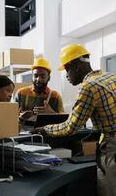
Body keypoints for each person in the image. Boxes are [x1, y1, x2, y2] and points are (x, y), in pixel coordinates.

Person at [32, 44, 116, 196]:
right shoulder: (111, 77)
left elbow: (71, 127)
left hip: (112, 147)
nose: (66, 75)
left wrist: (45, 129)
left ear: (76, 66)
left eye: (66, 70)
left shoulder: (88, 87)